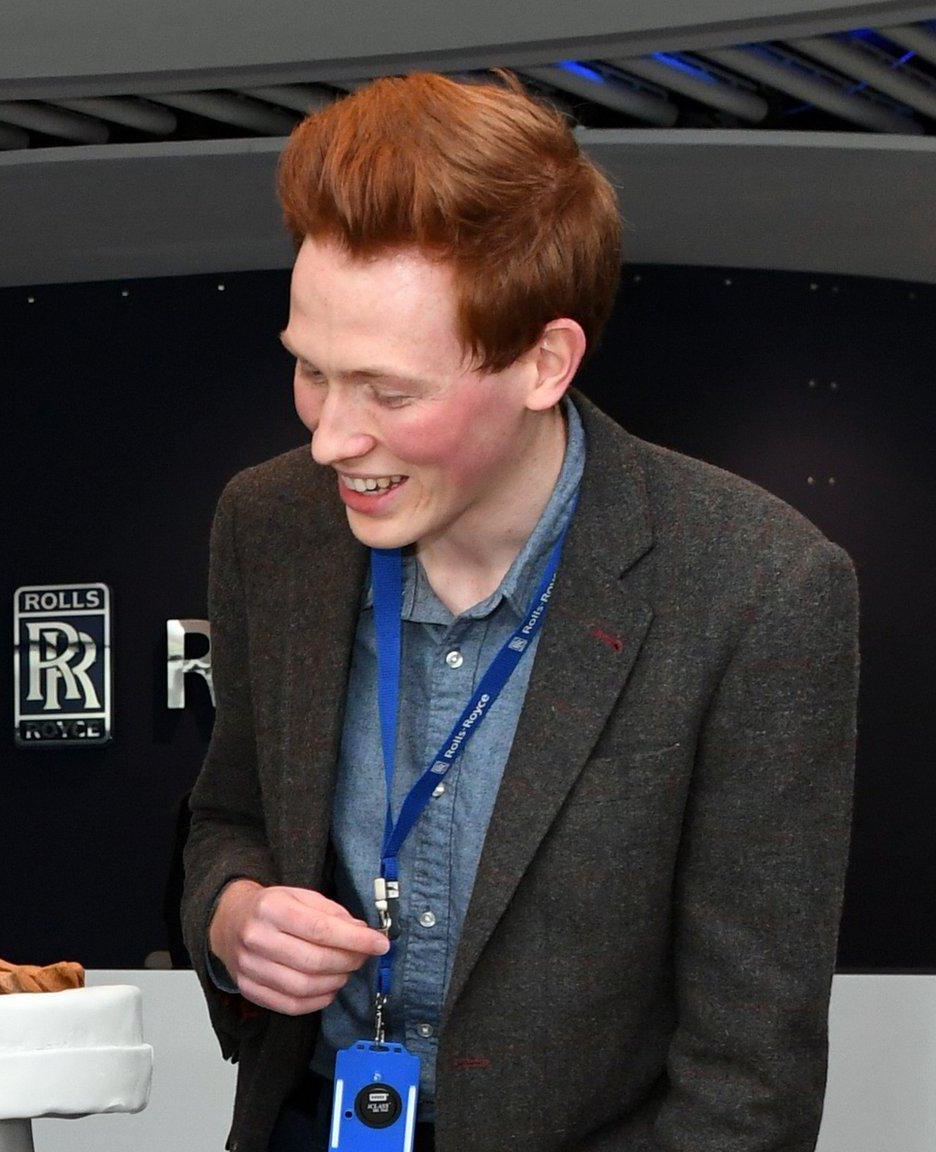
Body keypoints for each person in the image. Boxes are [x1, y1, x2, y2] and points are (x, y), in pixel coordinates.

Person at [183, 73, 857, 1151]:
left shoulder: (758, 588)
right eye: (309, 373)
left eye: (389, 393)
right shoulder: (266, 526)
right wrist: (231, 915)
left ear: (542, 362)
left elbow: (748, 1071)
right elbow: (227, 820)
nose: (328, 439)